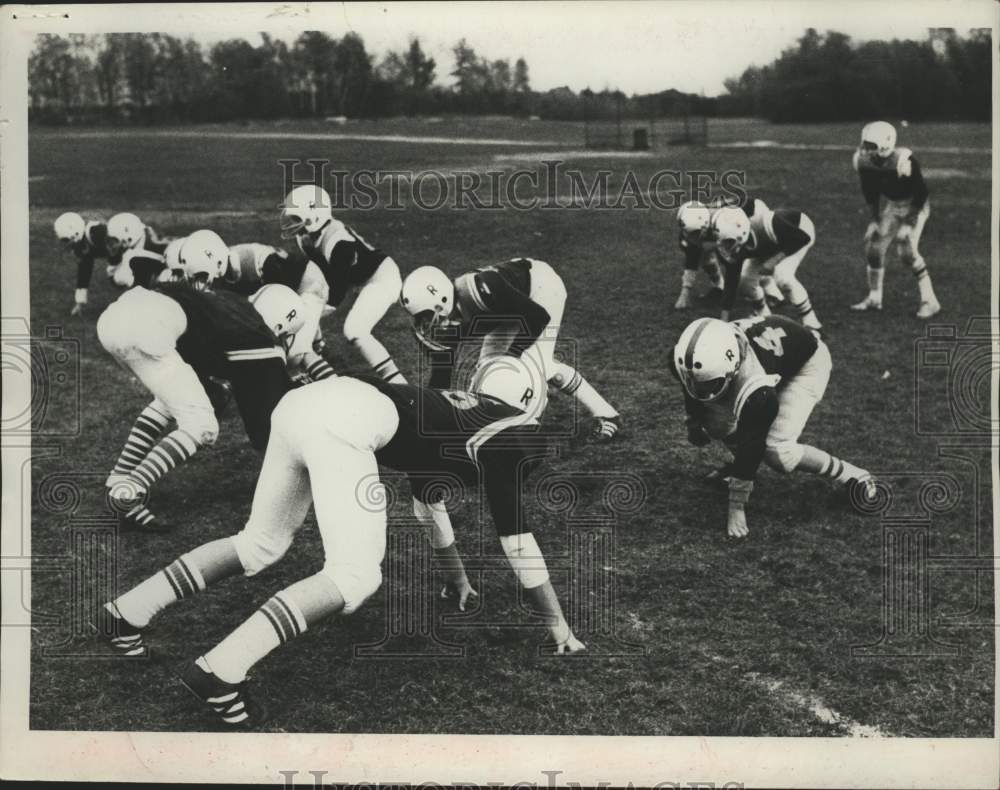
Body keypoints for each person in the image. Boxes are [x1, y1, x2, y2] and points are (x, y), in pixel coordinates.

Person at [95, 356, 584, 728]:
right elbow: (517, 539)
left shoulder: (454, 413)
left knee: (259, 543)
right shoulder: (518, 433)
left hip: (302, 404)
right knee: (354, 573)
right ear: (529, 402)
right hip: (345, 416)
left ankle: (127, 611)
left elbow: (425, 501)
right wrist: (558, 623)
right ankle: (221, 669)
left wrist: (456, 576)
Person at [97, 275, 301, 532]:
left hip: (118, 316)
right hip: (149, 327)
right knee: (202, 427)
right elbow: (263, 433)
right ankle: (127, 493)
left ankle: (118, 477)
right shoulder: (259, 337)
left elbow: (203, 363)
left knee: (170, 400)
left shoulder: (229, 304)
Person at [671, 315, 875, 538]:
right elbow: (691, 388)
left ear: (732, 366)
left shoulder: (756, 388)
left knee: (779, 452)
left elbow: (753, 442)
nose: (704, 391)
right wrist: (694, 421)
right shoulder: (687, 359)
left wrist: (736, 506)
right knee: (715, 424)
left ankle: (855, 475)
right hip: (775, 356)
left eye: (711, 383)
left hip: (807, 363)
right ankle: (740, 469)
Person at [400, 258, 622, 441]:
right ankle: (478, 427)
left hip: (540, 288)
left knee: (537, 366)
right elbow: (442, 376)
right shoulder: (451, 311)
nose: (424, 324)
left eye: (426, 316)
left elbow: (537, 317)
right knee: (486, 370)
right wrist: (430, 415)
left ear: (442, 300)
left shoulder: (482, 288)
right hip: (508, 308)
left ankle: (607, 415)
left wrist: (513, 355)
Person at [277, 185, 406, 383]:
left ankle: (399, 384)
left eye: (297, 218)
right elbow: (320, 281)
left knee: (355, 329)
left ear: (314, 215)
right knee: (309, 300)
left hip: (382, 278)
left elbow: (336, 294)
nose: (292, 223)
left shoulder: (339, 242)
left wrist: (302, 317)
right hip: (361, 279)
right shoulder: (307, 237)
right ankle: (322, 352)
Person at [850, 121, 940, 318]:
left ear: (885, 144)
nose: (865, 150)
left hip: (915, 205)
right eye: (865, 144)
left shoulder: (903, 161)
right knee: (874, 248)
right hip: (893, 204)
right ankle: (874, 298)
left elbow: (921, 193)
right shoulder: (864, 162)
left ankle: (930, 300)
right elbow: (870, 192)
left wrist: (909, 223)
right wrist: (874, 219)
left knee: (907, 252)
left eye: (871, 146)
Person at [710, 205, 823, 332]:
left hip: (799, 230)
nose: (724, 246)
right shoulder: (739, 242)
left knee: (783, 276)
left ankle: (812, 322)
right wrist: (724, 321)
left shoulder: (769, 225)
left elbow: (802, 238)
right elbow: (731, 282)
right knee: (745, 281)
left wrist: (774, 260)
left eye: (728, 242)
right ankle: (763, 314)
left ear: (741, 233)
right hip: (771, 244)